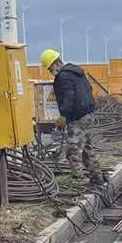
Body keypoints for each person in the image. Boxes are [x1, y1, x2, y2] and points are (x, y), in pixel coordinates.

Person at [40, 48, 98, 176]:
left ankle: (79, 183)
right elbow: (89, 89)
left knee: (73, 152)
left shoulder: (63, 76)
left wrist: (64, 116)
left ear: (56, 62)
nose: (50, 72)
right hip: (88, 115)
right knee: (87, 150)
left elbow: (69, 96)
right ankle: (97, 180)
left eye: (50, 68)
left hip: (78, 118)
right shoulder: (77, 72)